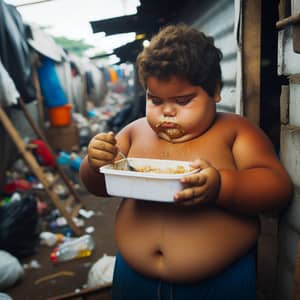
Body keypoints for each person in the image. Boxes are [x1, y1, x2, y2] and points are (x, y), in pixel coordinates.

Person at [79, 24, 293, 300]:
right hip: (133, 278)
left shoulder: (235, 132)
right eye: (155, 100)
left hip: (219, 283)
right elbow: (98, 185)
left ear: (215, 91)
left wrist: (221, 186)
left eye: (183, 100)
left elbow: (276, 189)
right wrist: (94, 163)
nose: (167, 112)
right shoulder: (134, 132)